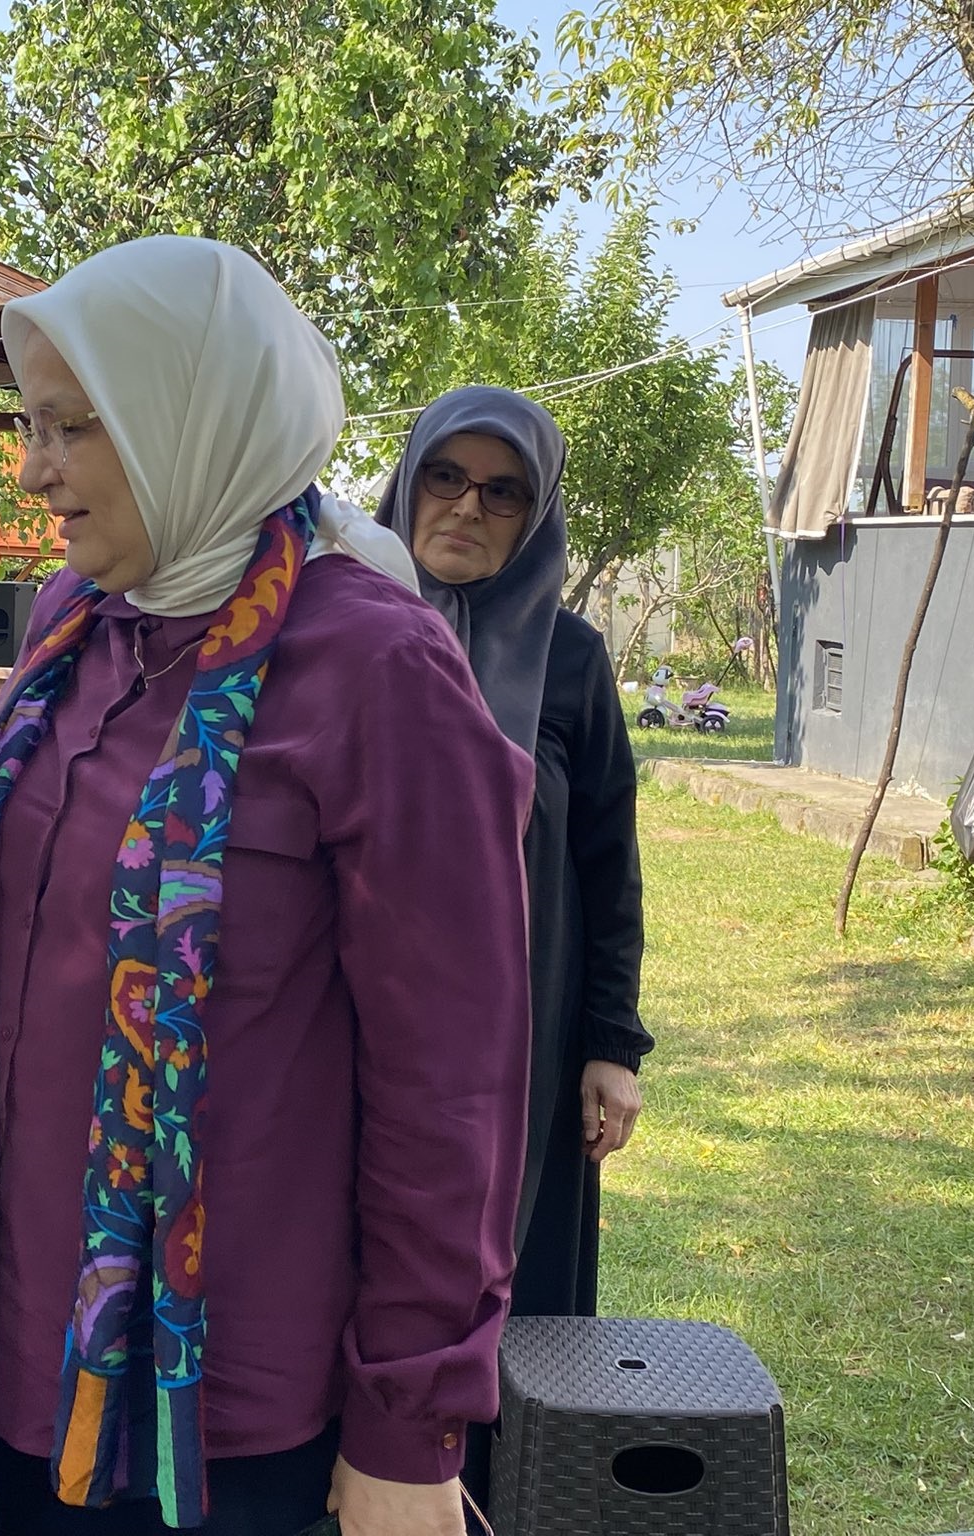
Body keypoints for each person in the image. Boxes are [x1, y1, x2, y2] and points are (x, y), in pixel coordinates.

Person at [0, 238, 536, 1536]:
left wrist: (408, 1425)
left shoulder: (374, 667)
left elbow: (450, 1086)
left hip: (225, 1415)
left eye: (71, 428)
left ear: (186, 417)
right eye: (31, 426)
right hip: (19, 1356)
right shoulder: (75, 626)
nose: (34, 471)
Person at [375, 386, 651, 1497]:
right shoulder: (339, 626)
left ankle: (499, 1492)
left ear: (534, 517)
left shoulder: (572, 659)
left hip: (524, 1040)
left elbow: (607, 861)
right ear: (407, 481)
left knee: (516, 1277)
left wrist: (611, 1044)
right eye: (445, 477)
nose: (465, 508)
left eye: (502, 493)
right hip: (362, 1017)